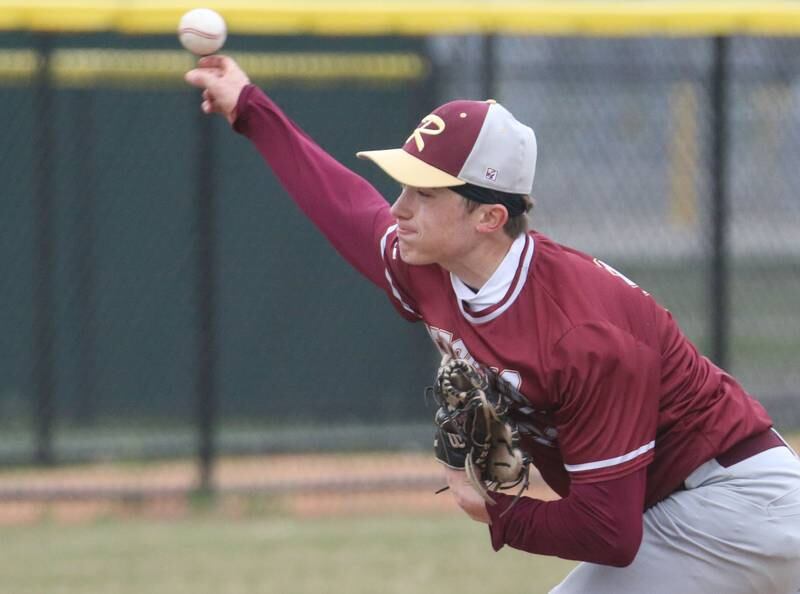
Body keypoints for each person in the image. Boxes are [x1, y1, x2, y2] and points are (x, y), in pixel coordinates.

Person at [185, 55, 800, 594]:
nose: (399, 207)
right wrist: (251, 110)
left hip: (733, 505)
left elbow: (611, 534)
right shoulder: (430, 264)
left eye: (424, 192)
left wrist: (495, 510)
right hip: (679, 507)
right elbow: (346, 207)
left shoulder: (582, 332)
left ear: (487, 217)